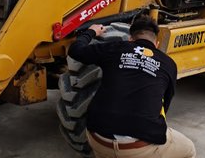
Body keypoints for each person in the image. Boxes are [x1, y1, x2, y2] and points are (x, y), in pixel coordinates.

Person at [68, 15, 196, 158]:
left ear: (130, 39)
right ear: (157, 43)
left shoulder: (115, 48)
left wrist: (91, 31)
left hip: (98, 139)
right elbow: (164, 106)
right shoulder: (169, 64)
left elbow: (75, 50)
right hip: (138, 149)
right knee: (189, 149)